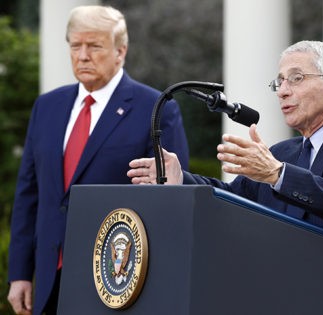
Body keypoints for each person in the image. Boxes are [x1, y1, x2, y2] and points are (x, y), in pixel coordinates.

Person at [127, 40, 323, 315]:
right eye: (279, 82)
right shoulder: (282, 153)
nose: (282, 91)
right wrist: (181, 179)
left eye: (296, 78)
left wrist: (279, 174)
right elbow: (231, 199)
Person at [7, 5, 189, 315]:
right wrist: (20, 274)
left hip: (117, 280)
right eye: (75, 45)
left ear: (121, 51)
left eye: (94, 46)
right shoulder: (47, 106)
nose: (82, 55)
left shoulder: (155, 108)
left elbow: (171, 201)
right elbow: (29, 194)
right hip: (50, 275)